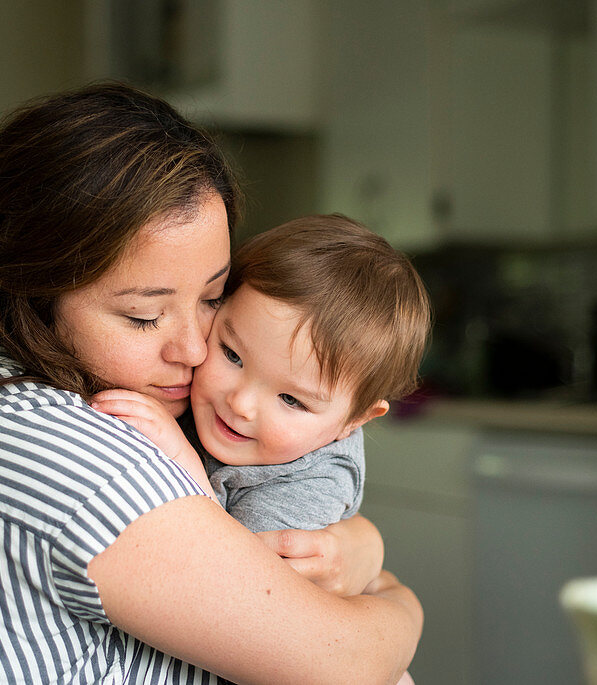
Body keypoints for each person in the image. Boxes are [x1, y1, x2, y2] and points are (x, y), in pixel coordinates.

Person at [0, 82, 421, 684]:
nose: (196, 348)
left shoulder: (9, 383)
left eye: (212, 297)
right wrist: (400, 605)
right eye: (143, 316)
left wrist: (362, 548)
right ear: (35, 282)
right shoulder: (89, 456)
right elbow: (342, 665)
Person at [87, 214, 431, 535]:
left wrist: (183, 462)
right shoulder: (185, 387)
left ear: (354, 420)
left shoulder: (313, 484)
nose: (240, 404)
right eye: (232, 355)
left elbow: (240, 581)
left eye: (291, 399)